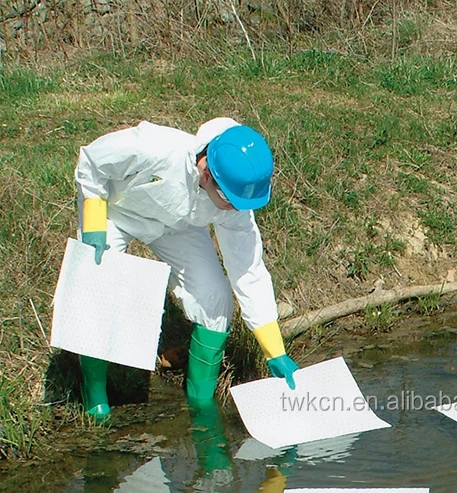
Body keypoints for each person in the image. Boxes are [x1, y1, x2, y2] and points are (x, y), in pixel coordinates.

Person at [74, 117, 299, 421]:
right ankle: (95, 391)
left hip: (177, 226)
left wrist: (275, 350)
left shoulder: (235, 204)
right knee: (99, 280)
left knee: (215, 296)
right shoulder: (154, 148)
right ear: (206, 174)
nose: (236, 208)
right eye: (230, 200)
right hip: (116, 210)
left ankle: (200, 403)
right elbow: (93, 160)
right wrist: (94, 219)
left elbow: (248, 270)